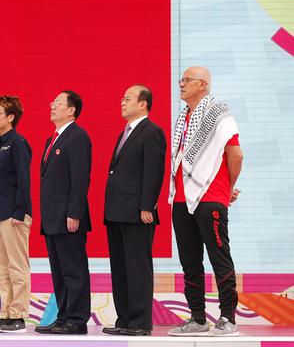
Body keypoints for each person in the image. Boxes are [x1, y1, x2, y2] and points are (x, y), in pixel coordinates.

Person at [168, 67, 243, 337]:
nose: (181, 84)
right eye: (181, 80)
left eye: (186, 80)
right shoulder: (183, 118)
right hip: (181, 199)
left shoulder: (219, 115)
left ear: (203, 84)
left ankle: (227, 318)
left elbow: (236, 156)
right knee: (190, 261)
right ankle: (198, 318)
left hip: (210, 198)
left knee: (219, 257)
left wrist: (227, 188)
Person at [102, 85, 166, 337]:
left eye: (127, 98)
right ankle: (125, 319)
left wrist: (146, 206)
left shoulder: (152, 132)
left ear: (143, 104)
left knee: (137, 266)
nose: (122, 102)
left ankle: (140, 322)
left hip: (138, 212)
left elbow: (153, 171)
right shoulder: (126, 132)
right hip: (117, 211)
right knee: (120, 267)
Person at [34, 90, 92, 335]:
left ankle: (77, 319)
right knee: (59, 270)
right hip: (52, 217)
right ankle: (64, 316)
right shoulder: (53, 139)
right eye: (52, 101)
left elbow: (80, 178)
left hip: (69, 217)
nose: (52, 105)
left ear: (71, 110)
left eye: (57, 102)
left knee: (73, 268)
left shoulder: (78, 137)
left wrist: (75, 212)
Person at [0, 96, 33, 333]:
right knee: (1, 267)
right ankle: (6, 313)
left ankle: (19, 315)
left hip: (13, 215)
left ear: (11, 117)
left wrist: (20, 211)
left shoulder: (18, 143)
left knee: (17, 266)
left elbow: (24, 179)